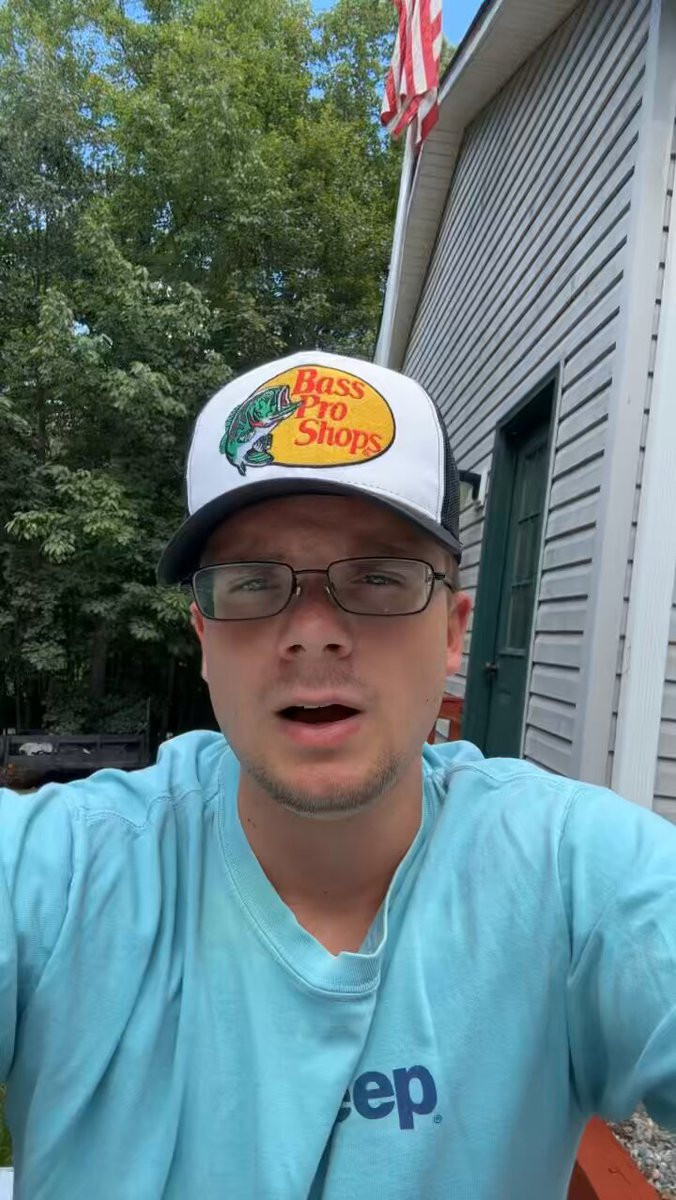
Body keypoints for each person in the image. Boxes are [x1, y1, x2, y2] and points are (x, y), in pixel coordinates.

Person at [1, 350, 675, 1200]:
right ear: (204, 638)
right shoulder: (57, 873)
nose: (313, 631)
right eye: (253, 582)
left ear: (454, 632)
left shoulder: (578, 875)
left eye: (380, 577)